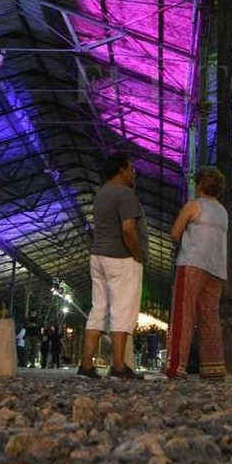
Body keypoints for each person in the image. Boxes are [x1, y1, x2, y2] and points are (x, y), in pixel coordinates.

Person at [78, 153, 145, 381]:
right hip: (121, 258)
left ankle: (86, 365)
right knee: (122, 311)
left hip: (98, 256)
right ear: (121, 169)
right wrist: (137, 253)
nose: (133, 172)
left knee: (99, 310)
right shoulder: (125, 194)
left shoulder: (101, 194)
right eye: (131, 167)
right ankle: (118, 366)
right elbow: (128, 229)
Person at [165, 166, 230, 380]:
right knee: (210, 318)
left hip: (192, 264)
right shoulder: (223, 212)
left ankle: (176, 367)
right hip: (216, 269)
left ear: (200, 184)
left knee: (184, 315)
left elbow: (175, 232)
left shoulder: (194, 205)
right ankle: (214, 368)